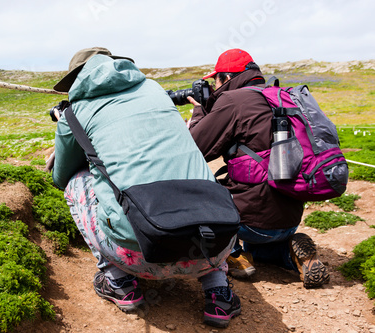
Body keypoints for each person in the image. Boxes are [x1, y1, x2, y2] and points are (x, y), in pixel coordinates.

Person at [51, 47, 240, 328]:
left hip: (141, 255)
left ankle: (119, 282)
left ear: (77, 80)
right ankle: (218, 290)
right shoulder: (154, 90)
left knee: (77, 181)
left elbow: (60, 175)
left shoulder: (74, 112)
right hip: (214, 243)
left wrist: (69, 130)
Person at [187, 48, 330, 289]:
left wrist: (200, 110)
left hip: (249, 221)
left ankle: (232, 254)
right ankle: (288, 253)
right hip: (290, 216)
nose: (215, 85)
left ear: (227, 78)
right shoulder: (282, 95)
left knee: (199, 193)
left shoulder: (232, 101)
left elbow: (195, 149)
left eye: (216, 79)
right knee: (262, 246)